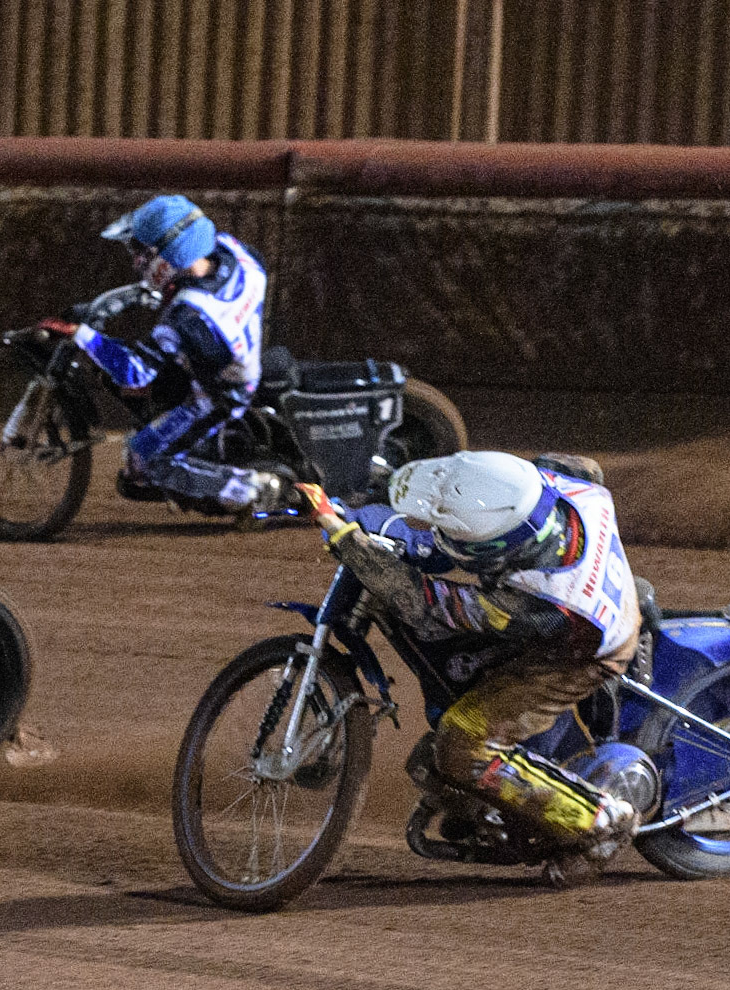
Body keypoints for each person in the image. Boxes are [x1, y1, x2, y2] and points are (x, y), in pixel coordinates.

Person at [301, 450, 641, 886]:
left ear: (496, 554)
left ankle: (600, 821)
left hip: (577, 655)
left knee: (463, 743)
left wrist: (343, 535)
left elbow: (426, 604)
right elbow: (485, 481)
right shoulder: (551, 482)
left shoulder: (535, 603)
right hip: (594, 595)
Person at [39, 194, 284, 514]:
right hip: (231, 351)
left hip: (221, 392)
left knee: (144, 457)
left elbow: (134, 372)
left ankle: (248, 488)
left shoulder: (187, 315)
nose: (136, 262)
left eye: (142, 251)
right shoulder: (235, 251)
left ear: (168, 255)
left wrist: (81, 334)